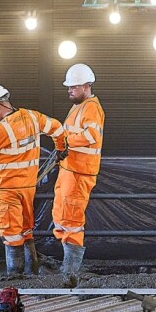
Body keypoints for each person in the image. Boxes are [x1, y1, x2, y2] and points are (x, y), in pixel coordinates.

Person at [0, 84, 67, 275]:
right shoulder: (32, 117)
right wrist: (60, 147)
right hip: (27, 188)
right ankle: (32, 273)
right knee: (25, 231)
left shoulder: (1, 129)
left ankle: (15, 277)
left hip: (7, 191)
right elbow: (57, 128)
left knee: (11, 235)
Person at [53, 63, 105, 286]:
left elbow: (91, 135)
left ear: (86, 86)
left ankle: (70, 269)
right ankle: (67, 264)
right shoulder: (78, 107)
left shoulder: (92, 107)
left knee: (72, 219)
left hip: (80, 172)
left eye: (73, 87)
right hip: (69, 170)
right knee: (61, 216)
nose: (69, 91)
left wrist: (66, 142)